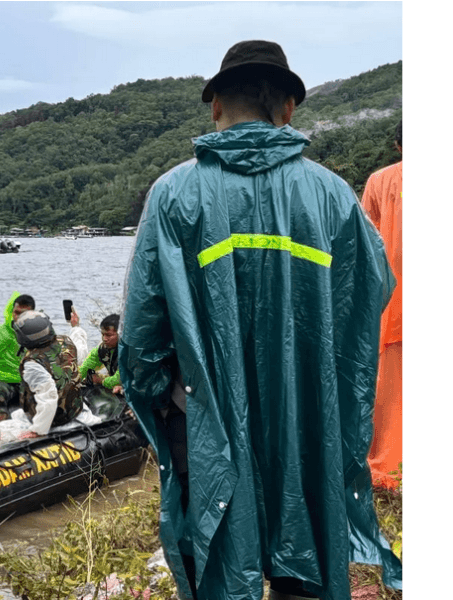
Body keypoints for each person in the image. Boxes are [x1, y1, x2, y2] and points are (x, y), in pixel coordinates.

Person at [116, 40, 401, 600]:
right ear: (288, 109)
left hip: (204, 419)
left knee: (217, 558)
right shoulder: (331, 195)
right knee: (305, 555)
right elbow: (368, 297)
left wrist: (157, 400)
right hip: (308, 415)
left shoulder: (174, 193)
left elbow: (143, 328)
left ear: (216, 106)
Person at [361, 120, 402, 490]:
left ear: (397, 144)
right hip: (395, 305)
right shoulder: (381, 180)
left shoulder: (380, 181)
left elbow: (366, 246)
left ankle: (388, 468)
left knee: (391, 395)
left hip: (394, 304)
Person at [12, 308, 88, 439]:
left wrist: (38, 430)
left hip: (56, 419)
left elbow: (49, 396)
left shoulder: (32, 363)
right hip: (74, 410)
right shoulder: (66, 342)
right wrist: (76, 327)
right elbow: (81, 351)